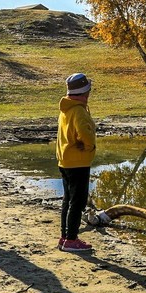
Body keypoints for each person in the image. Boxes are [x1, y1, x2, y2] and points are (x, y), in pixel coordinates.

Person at [56, 73, 97, 253]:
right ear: (84, 92)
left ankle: (65, 237)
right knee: (77, 202)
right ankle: (71, 239)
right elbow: (84, 133)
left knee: (68, 200)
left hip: (65, 160)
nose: (89, 94)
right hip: (78, 161)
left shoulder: (66, 108)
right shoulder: (78, 110)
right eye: (88, 90)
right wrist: (90, 146)